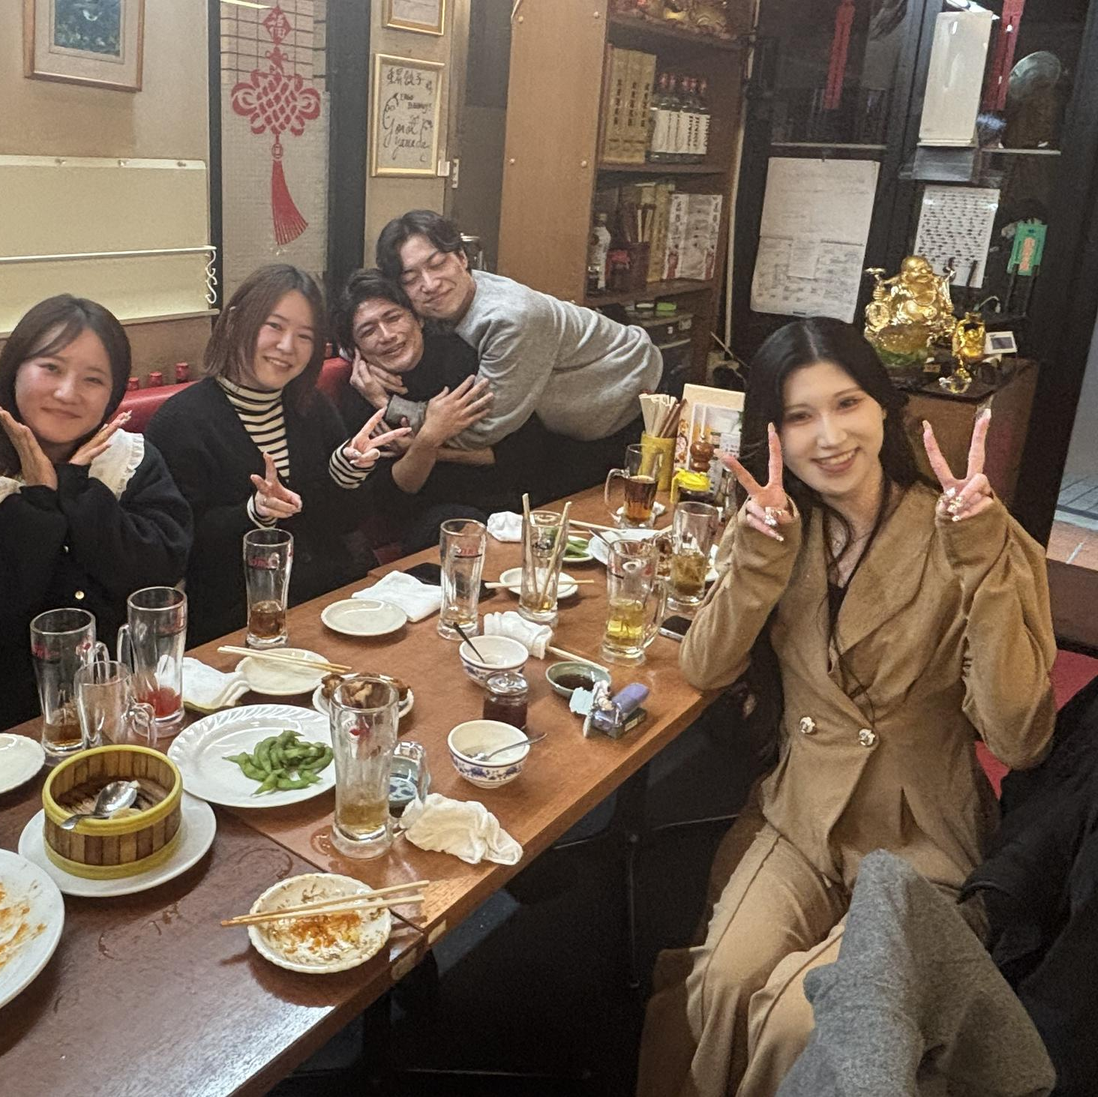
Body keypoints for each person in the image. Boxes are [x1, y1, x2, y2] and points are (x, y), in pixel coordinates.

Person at [636, 318, 1056, 1097]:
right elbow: (704, 665)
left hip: (920, 837)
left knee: (802, 1021)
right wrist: (756, 560)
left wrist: (982, 561)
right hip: (798, 815)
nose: (828, 436)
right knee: (721, 981)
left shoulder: (966, 532)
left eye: (847, 403)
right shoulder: (777, 526)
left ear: (884, 407)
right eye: (799, 415)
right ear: (774, 433)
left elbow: (1019, 737)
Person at [0, 295, 192, 734]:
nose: (68, 393)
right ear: (14, 369)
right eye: (51, 368)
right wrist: (37, 500)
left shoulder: (132, 459)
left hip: (132, 706)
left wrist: (77, 488)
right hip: (15, 724)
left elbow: (157, 578)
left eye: (93, 379)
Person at [146, 264, 404, 644]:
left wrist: (344, 474)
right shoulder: (180, 422)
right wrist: (254, 513)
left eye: (304, 336)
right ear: (236, 322)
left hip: (332, 601)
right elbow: (181, 545)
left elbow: (344, 524)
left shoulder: (312, 407)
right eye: (275, 326)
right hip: (237, 620)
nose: (288, 346)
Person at [373, 209, 663, 498]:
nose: (430, 284)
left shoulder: (510, 319)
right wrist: (369, 360)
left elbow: (482, 431)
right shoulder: (444, 303)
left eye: (437, 264)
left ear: (462, 258)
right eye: (410, 278)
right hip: (567, 420)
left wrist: (387, 404)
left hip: (631, 406)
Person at [333, 268, 546, 551]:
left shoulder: (463, 357)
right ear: (356, 349)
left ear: (418, 318)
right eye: (368, 331)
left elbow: (520, 452)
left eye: (393, 318)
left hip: (508, 502)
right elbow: (393, 498)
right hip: (432, 520)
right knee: (458, 530)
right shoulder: (360, 396)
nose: (386, 335)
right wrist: (428, 439)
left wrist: (428, 446)